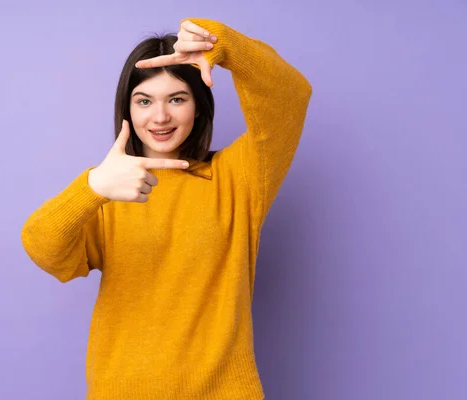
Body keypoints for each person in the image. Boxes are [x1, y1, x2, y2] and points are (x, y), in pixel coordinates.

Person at [21, 17, 312, 400]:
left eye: (177, 98)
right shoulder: (109, 188)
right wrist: (91, 188)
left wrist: (225, 45)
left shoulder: (238, 178)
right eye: (144, 101)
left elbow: (291, 95)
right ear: (127, 109)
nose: (160, 117)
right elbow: (44, 249)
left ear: (198, 106)